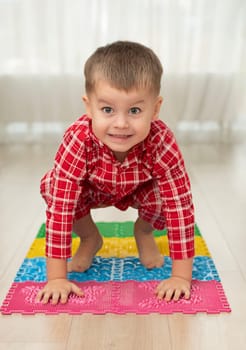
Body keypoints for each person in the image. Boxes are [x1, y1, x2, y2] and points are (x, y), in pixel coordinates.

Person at [36, 41, 195, 305]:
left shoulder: (162, 142)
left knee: (168, 197)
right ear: (89, 107)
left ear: (155, 109)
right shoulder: (78, 140)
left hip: (141, 192)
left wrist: (181, 277)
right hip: (94, 190)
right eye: (107, 110)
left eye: (134, 110)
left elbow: (179, 206)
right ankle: (89, 237)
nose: (121, 124)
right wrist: (56, 279)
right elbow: (62, 206)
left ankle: (143, 232)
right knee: (52, 185)